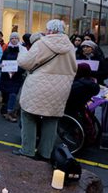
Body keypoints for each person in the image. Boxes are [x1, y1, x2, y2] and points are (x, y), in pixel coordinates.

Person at [15, 19, 77, 160]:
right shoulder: (70, 46)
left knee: (28, 115)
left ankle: (28, 150)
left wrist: (21, 54)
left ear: (50, 30)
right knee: (52, 119)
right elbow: (74, 68)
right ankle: (45, 153)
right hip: (61, 88)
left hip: (38, 85)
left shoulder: (42, 43)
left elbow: (25, 63)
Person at [0, 32, 24, 122]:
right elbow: (2, 60)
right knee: (5, 94)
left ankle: (10, 112)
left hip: (16, 77)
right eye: (12, 38)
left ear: (18, 39)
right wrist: (1, 65)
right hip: (6, 76)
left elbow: (24, 64)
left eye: (16, 38)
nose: (14, 39)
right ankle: (6, 111)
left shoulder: (22, 50)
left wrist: (17, 70)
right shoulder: (6, 49)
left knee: (13, 94)